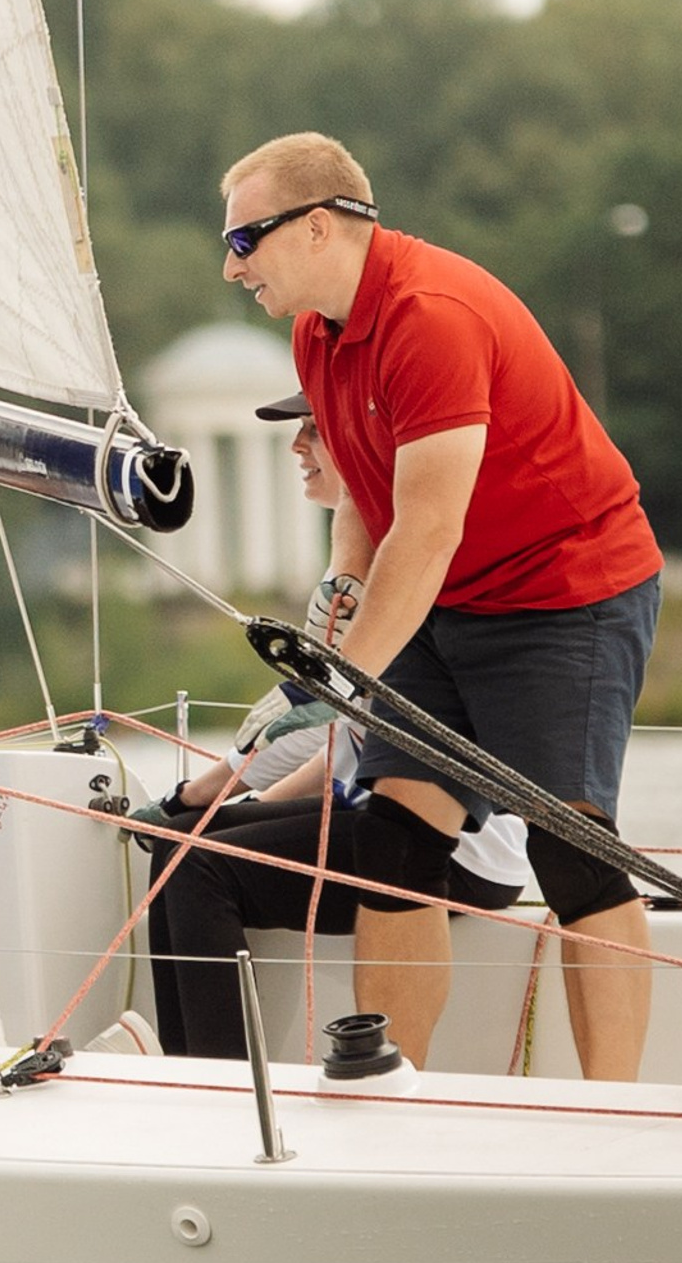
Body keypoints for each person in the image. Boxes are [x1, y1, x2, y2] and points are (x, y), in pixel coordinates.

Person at [219, 132, 664, 1080]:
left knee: (574, 847)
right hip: (444, 599)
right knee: (391, 841)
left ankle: (614, 1115)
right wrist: (340, 599)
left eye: (245, 241)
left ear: (317, 227)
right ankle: (391, 1083)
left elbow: (428, 527)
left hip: (564, 595)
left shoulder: (431, 316)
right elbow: (367, 505)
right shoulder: (316, 331)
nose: (231, 266)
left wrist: (347, 681)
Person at [137, 396, 528, 1058]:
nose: (296, 447)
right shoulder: (362, 551)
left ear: (364, 445)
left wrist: (202, 795)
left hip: (456, 847)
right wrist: (225, 806)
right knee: (177, 846)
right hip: (385, 814)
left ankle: (224, 1086)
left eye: (314, 431)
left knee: (200, 865)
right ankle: (191, 1072)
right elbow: (342, 739)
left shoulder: (388, 563)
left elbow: (304, 711)